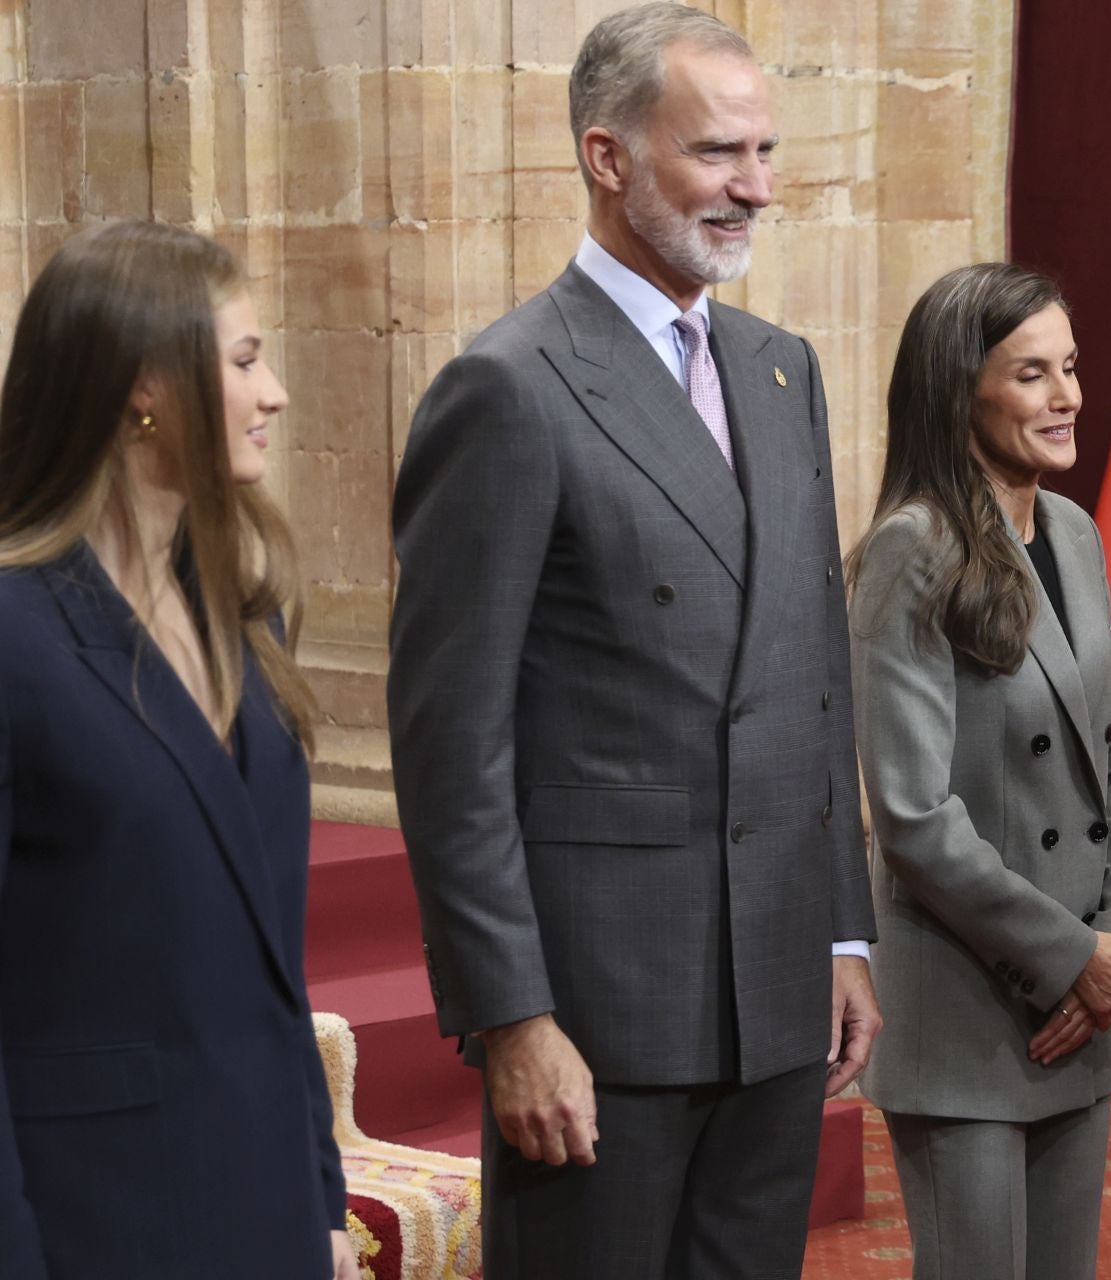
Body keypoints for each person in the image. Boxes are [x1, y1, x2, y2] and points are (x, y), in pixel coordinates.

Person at [385, 5, 879, 1276]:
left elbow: (816, 675)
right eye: (718, 154)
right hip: (602, 1008)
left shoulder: (785, 369)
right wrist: (511, 1017)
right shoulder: (510, 385)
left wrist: (840, 933)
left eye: (764, 153)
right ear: (607, 158)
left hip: (775, 988)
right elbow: (453, 744)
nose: (755, 190)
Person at [0, 222, 352, 1278]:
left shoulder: (248, 618)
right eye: (245, 361)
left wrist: (322, 1199)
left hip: (268, 1200)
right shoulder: (12, 632)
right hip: (94, 1217)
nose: (275, 392)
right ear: (142, 388)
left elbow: (272, 964)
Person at [847, 263, 1111, 1280]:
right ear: (958, 389)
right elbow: (913, 814)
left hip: (1083, 1006)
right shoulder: (912, 550)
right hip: (974, 1015)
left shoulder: (1074, 530)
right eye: (1032, 374)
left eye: (1069, 367)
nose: (1068, 396)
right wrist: (1069, 954)